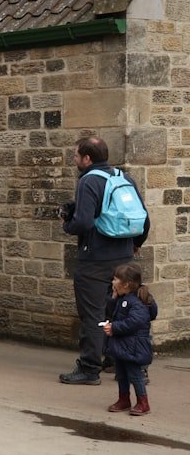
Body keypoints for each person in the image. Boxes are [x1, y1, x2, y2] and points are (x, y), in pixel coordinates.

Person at [59, 136, 150, 385]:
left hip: (96, 259)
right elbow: (144, 217)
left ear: (87, 158)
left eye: (76, 155)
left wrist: (67, 222)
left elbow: (84, 222)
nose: (75, 159)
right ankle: (128, 362)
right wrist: (136, 244)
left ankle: (89, 368)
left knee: (93, 314)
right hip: (124, 257)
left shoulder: (88, 181)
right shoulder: (122, 177)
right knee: (122, 311)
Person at [103, 262, 156, 415]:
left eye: (115, 279)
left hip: (134, 346)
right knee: (121, 374)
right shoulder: (123, 298)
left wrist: (114, 328)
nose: (112, 282)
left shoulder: (137, 302)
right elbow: (114, 312)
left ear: (125, 284)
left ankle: (143, 402)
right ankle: (124, 399)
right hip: (122, 345)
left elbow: (133, 322)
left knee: (135, 375)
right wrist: (113, 298)